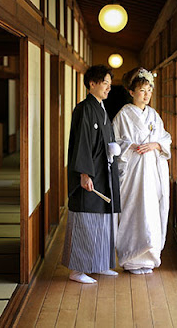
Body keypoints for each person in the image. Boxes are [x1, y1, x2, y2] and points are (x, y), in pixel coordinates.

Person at [62, 65, 122, 284]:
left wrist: (113, 148)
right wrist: (84, 173)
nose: (108, 87)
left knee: (103, 221)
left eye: (109, 83)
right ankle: (77, 269)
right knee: (85, 219)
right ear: (92, 84)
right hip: (90, 174)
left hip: (103, 172)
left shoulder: (101, 108)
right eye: (104, 83)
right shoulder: (84, 108)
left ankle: (99, 264)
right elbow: (82, 144)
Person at [112, 67, 171, 274]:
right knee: (133, 210)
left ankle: (149, 257)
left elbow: (165, 138)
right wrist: (130, 146)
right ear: (131, 92)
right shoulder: (123, 115)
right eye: (142, 90)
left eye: (149, 90)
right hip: (133, 172)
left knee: (151, 211)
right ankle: (130, 257)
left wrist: (155, 145)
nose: (146, 95)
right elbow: (115, 143)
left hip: (151, 172)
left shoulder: (154, 115)